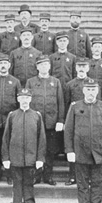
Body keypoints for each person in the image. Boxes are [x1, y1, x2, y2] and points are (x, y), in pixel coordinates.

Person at [65, 78, 102, 203]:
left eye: (93, 89)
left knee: (98, 182)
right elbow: (69, 130)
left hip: (98, 152)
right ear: (83, 90)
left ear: (97, 91)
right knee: (82, 183)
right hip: (80, 152)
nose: (90, 92)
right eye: (88, 89)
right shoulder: (75, 106)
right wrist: (69, 150)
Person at [2, 88, 46, 203]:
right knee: (17, 182)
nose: (24, 101)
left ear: (30, 99)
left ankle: (29, 202)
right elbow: (6, 138)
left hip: (31, 157)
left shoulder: (36, 116)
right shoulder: (12, 115)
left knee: (28, 182)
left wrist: (40, 159)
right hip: (15, 156)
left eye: (27, 98)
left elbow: (41, 139)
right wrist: (6, 158)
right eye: (22, 98)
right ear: (18, 99)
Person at [26, 55, 65, 185]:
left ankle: (48, 176)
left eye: (46, 64)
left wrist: (60, 120)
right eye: (41, 64)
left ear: (49, 66)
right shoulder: (30, 82)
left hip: (51, 122)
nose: (44, 67)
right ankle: (36, 176)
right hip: (35, 121)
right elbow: (27, 101)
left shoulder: (56, 81)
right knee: (35, 149)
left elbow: (60, 102)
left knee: (49, 150)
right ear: (37, 67)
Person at [0, 55, 22, 184]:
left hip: (10, 121)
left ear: (9, 65)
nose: (3, 65)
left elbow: (19, 101)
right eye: (0, 63)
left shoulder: (15, 81)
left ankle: (10, 175)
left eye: (5, 63)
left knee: (10, 148)